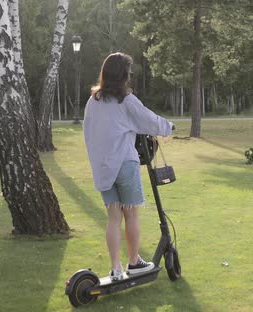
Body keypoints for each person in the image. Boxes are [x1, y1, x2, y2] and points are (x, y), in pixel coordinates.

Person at [83, 52, 174, 281]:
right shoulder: (126, 101)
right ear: (123, 75)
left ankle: (115, 268)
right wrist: (169, 127)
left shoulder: (93, 102)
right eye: (129, 72)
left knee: (113, 217)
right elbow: (150, 120)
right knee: (131, 215)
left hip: (103, 167)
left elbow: (89, 134)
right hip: (124, 163)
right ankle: (133, 262)